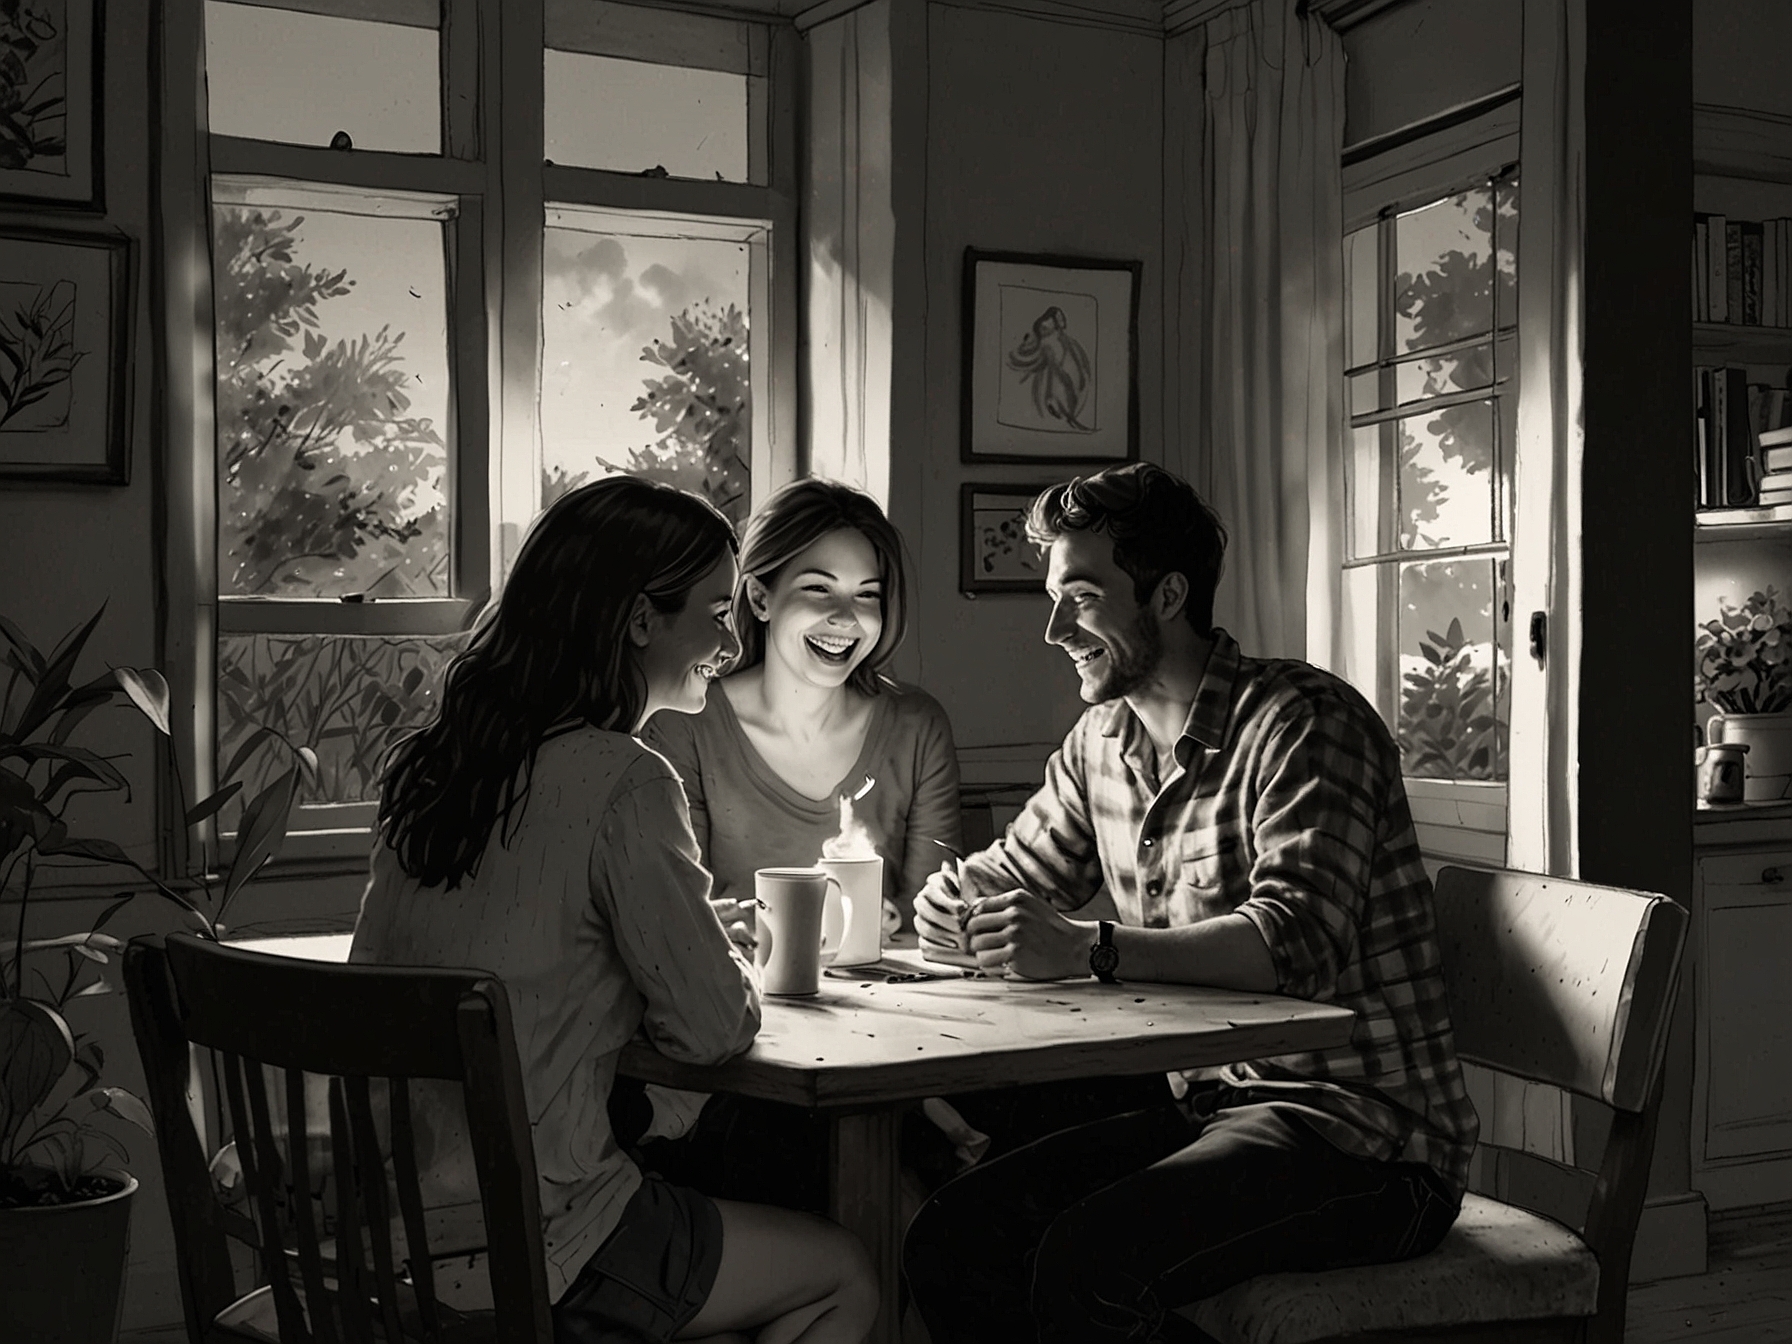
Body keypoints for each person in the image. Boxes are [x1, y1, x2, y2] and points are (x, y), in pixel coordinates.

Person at [903, 462, 1480, 1344]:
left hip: (1369, 1139)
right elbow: (1015, 873)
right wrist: (950, 904)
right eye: (1055, 599)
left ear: (1167, 594)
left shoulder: (1305, 722)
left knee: (1087, 1265)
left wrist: (1090, 948)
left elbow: (1294, 945)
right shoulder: (1104, 739)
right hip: (1213, 1105)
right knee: (954, 1237)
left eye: (1083, 599)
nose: (1056, 628)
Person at [350, 476, 878, 1344]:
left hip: (402, 1227)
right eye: (714, 611)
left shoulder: (434, 767)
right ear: (640, 621)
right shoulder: (624, 780)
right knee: (844, 1275)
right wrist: (715, 957)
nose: (730, 637)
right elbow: (713, 1029)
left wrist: (672, 945)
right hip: (545, 1241)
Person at [633, 476, 973, 1208]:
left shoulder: (916, 725)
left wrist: (914, 923)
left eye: (869, 595)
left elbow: (935, 915)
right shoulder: (682, 724)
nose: (847, 619)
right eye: (820, 590)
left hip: (898, 1045)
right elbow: (683, 927)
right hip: (748, 1069)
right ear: (758, 598)